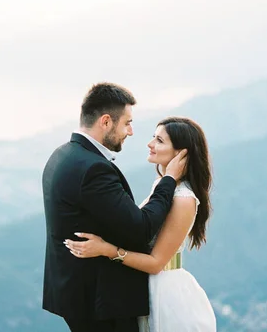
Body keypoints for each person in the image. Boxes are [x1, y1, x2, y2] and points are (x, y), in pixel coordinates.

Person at [42, 82, 188, 332]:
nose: (131, 132)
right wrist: (169, 180)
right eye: (127, 123)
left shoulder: (61, 155)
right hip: (102, 303)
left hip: (73, 293)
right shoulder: (93, 169)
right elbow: (142, 228)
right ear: (106, 121)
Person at [65, 116, 216, 332]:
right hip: (145, 288)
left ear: (181, 153)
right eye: (153, 138)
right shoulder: (163, 186)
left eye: (159, 141)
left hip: (165, 295)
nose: (150, 144)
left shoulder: (183, 199)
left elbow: (156, 263)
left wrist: (105, 249)